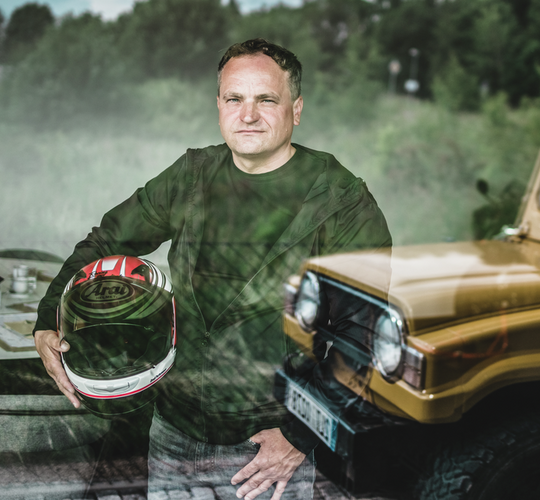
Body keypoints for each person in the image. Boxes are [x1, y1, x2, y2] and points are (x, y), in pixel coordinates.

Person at [33, 38, 392, 500]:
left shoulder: (341, 201)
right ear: (219, 105)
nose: (248, 114)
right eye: (234, 99)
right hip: (173, 433)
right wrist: (48, 319)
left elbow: (362, 334)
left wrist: (301, 437)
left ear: (296, 109)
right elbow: (107, 240)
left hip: (269, 451)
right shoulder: (192, 176)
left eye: (266, 99)